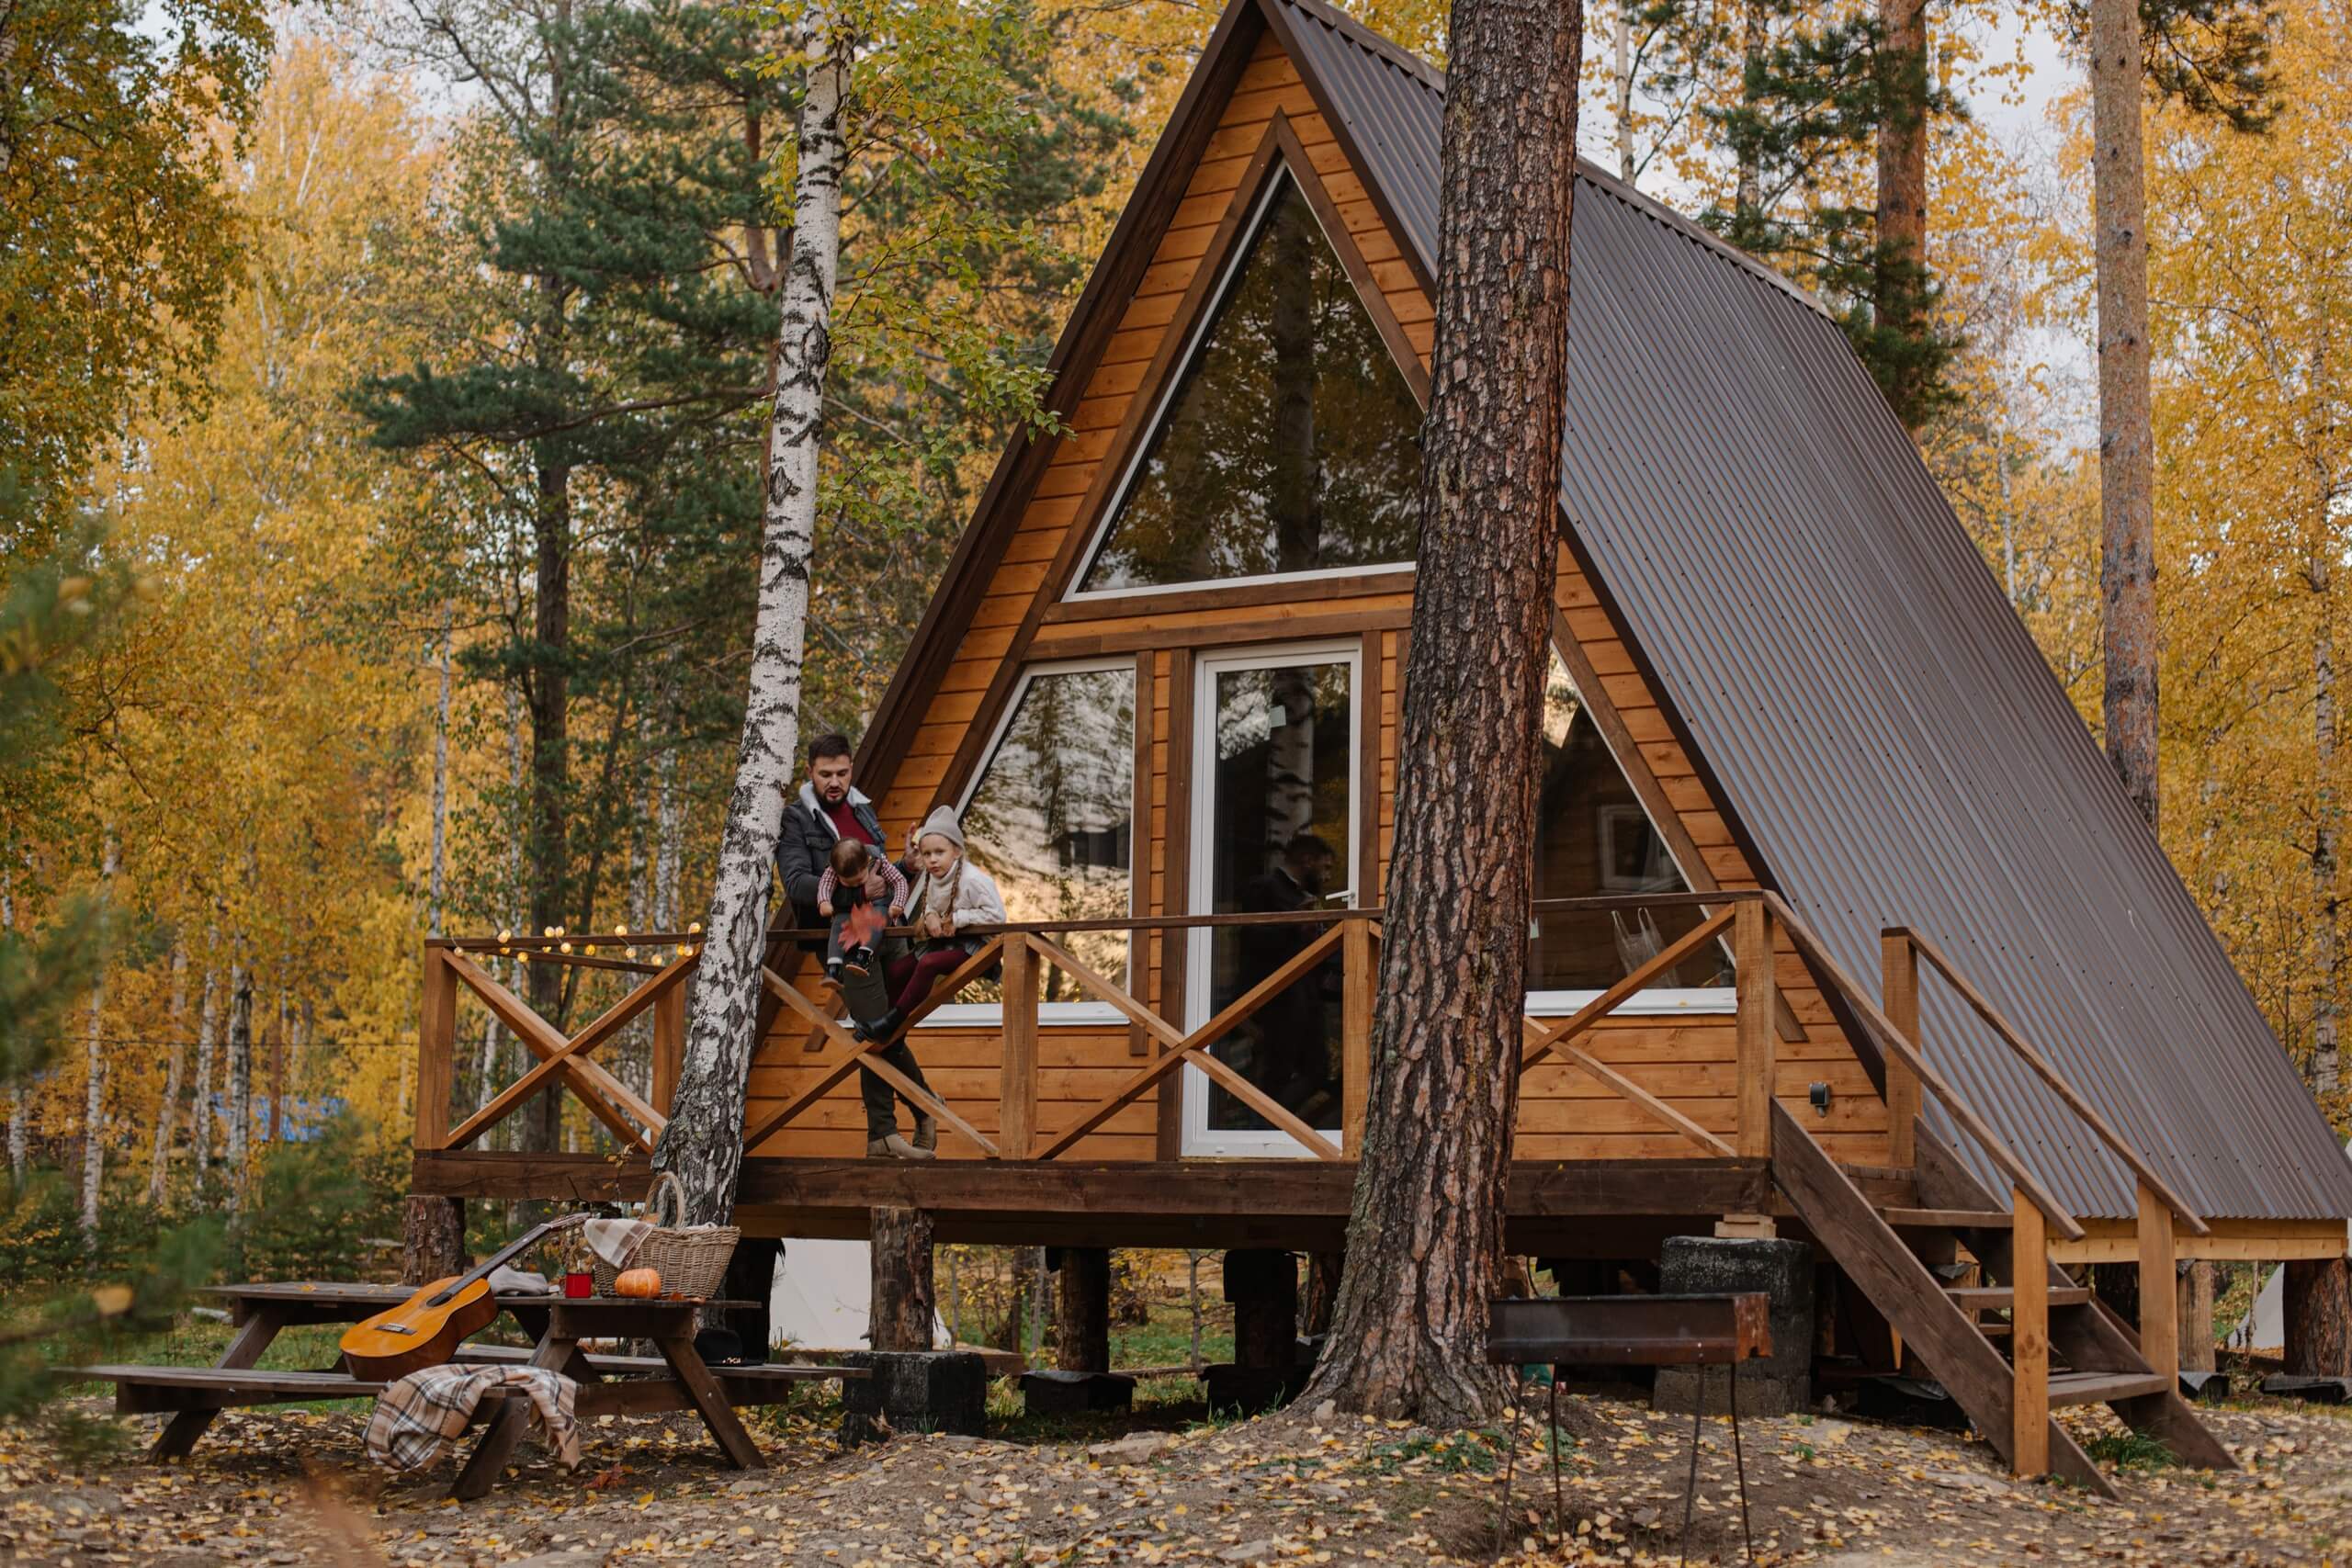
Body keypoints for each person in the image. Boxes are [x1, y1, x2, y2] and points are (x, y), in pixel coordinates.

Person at [772, 733, 934, 1161]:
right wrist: (847, 898)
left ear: (851, 770)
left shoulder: (863, 810)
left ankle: (885, 1135)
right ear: (810, 772)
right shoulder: (796, 820)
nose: (834, 782)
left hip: (886, 934)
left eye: (842, 773)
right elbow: (799, 885)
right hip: (847, 939)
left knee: (886, 1029)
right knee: (879, 1030)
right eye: (825, 774)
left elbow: (876, 876)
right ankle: (919, 1113)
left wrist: (908, 868)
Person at [866, 807, 1007, 1038]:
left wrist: (958, 920)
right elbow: (932, 904)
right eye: (927, 854)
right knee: (896, 970)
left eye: (939, 852)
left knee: (928, 964)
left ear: (957, 851)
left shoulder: (974, 880)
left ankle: (892, 1023)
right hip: (945, 942)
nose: (932, 860)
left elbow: (997, 916)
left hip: (976, 946)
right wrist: (930, 916)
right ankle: (887, 1028)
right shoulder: (933, 877)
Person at [816, 836, 908, 980]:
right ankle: (833, 968)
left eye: (859, 880)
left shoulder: (877, 860)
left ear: (866, 862)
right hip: (850, 911)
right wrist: (824, 902)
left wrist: (898, 903)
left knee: (879, 917)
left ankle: (863, 957)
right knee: (838, 923)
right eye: (848, 883)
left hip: (877, 906)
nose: (855, 886)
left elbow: (899, 881)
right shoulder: (835, 868)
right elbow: (825, 885)